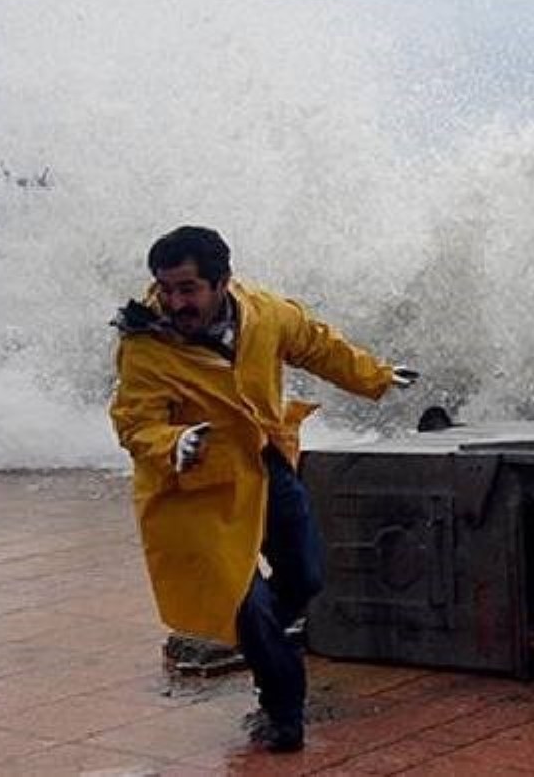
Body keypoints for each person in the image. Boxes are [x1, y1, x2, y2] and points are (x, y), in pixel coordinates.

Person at [108, 225, 416, 753]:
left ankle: (256, 636)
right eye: (166, 288)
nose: (174, 301)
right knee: (246, 604)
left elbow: (318, 345)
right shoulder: (144, 347)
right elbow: (135, 422)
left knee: (307, 574)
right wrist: (173, 443)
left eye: (188, 289)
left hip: (264, 462)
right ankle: (281, 713)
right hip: (195, 490)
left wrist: (377, 377)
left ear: (222, 282)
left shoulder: (265, 314)